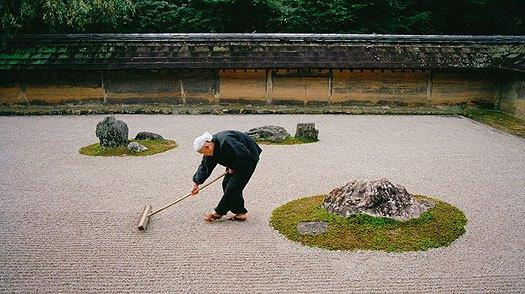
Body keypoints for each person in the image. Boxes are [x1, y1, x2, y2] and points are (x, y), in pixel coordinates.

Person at [191, 130, 262, 223]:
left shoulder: (226, 141)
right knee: (226, 184)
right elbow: (205, 166)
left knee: (233, 186)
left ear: (207, 146)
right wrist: (196, 183)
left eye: (203, 152)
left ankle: (218, 212)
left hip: (249, 158)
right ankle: (240, 212)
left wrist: (235, 167)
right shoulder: (210, 149)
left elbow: (244, 154)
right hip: (234, 161)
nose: (204, 155)